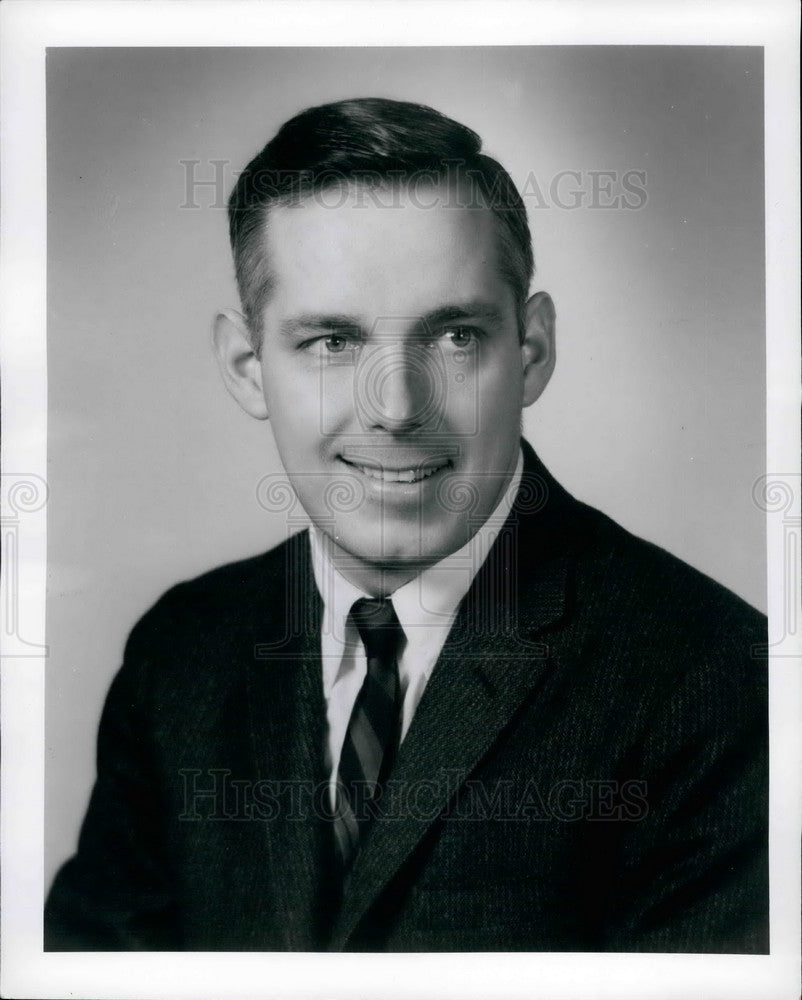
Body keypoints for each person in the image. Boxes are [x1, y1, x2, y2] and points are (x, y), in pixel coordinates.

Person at [44, 98, 768, 953]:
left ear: (531, 351)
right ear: (248, 368)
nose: (394, 408)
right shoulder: (181, 656)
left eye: (455, 337)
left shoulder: (719, 680)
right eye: (330, 342)